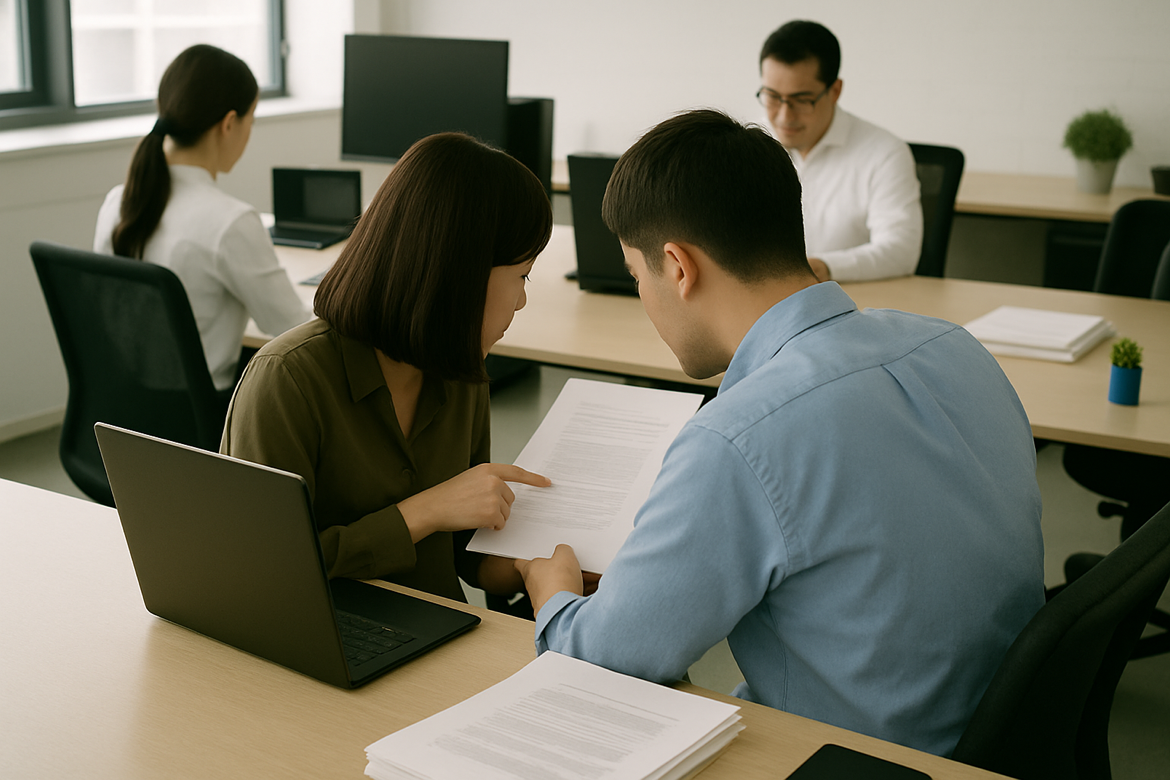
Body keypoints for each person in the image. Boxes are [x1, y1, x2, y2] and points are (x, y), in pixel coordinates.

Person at [515, 110, 1044, 756]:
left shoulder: (738, 439)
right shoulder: (953, 345)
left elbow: (599, 660)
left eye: (635, 275)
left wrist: (553, 592)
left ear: (677, 267)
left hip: (857, 761)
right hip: (1001, 736)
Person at [221, 132, 553, 603]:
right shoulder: (287, 380)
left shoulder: (461, 370)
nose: (521, 301)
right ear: (459, 275)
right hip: (321, 637)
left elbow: (465, 551)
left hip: (440, 629)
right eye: (522, 275)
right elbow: (262, 571)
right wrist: (422, 512)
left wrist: (531, 568)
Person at [94, 44, 310, 394]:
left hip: (123, 405)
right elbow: (294, 328)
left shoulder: (117, 203)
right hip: (202, 415)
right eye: (251, 120)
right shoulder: (230, 221)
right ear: (229, 123)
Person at [757, 20, 923, 282]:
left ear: (835, 91)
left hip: (851, 299)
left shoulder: (884, 153)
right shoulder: (751, 143)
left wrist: (824, 267)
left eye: (802, 100)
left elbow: (901, 251)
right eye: (773, 97)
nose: (784, 116)